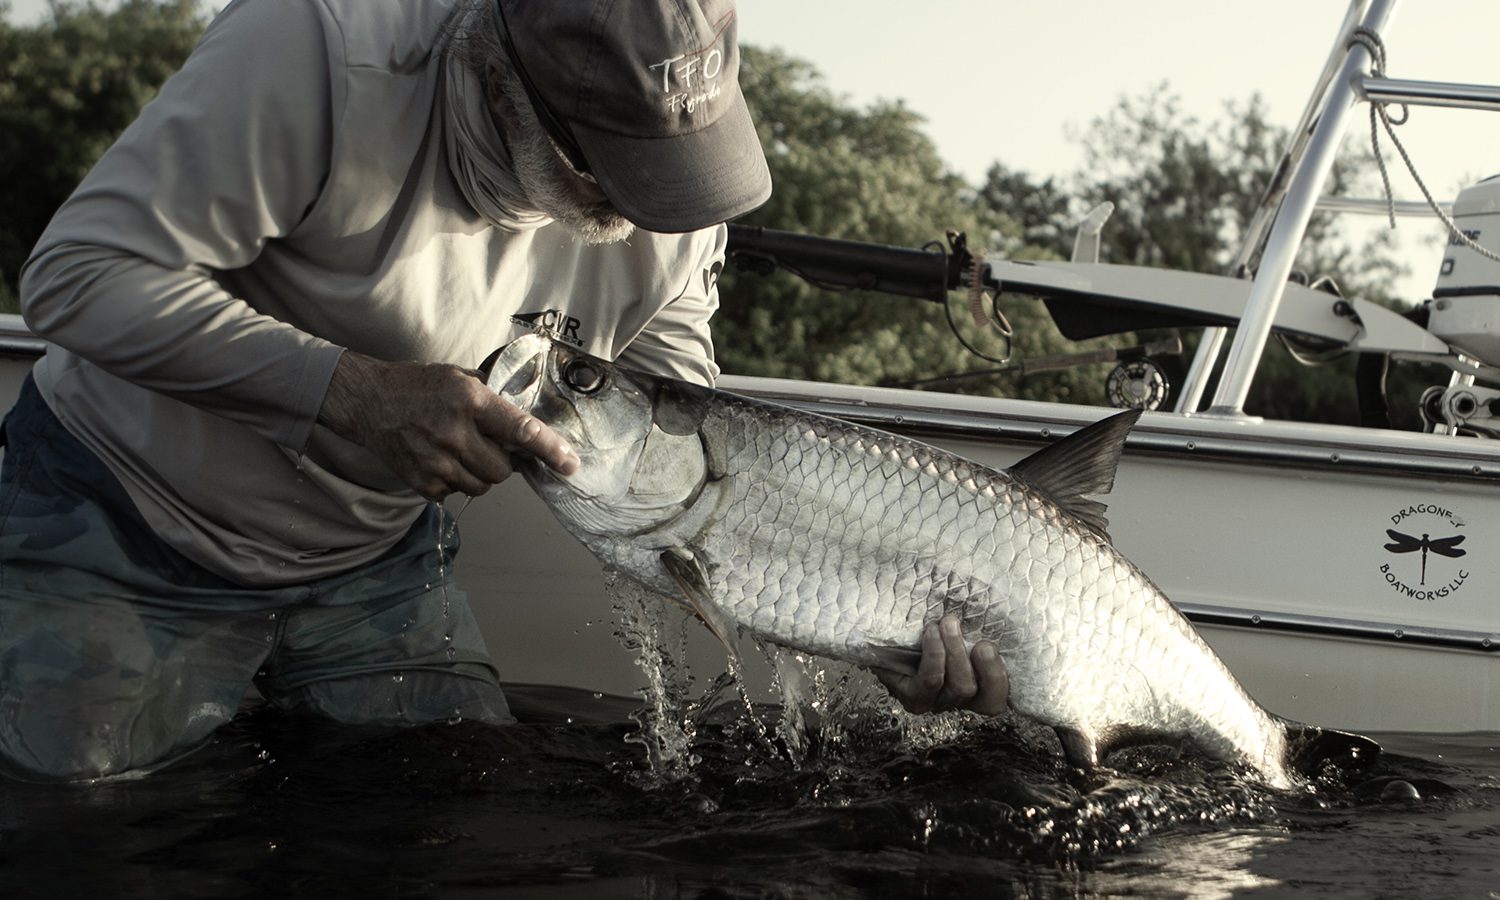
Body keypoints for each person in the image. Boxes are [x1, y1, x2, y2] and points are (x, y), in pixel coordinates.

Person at [3, 0, 1005, 783]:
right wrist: (350, 392)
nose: (655, 204)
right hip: (118, 517)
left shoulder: (678, 186)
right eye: (613, 166)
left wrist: (865, 621)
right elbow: (76, 274)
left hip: (375, 563)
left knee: (449, 814)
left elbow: (673, 422)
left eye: (675, 169)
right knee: (75, 823)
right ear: (498, 78)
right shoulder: (314, 48)